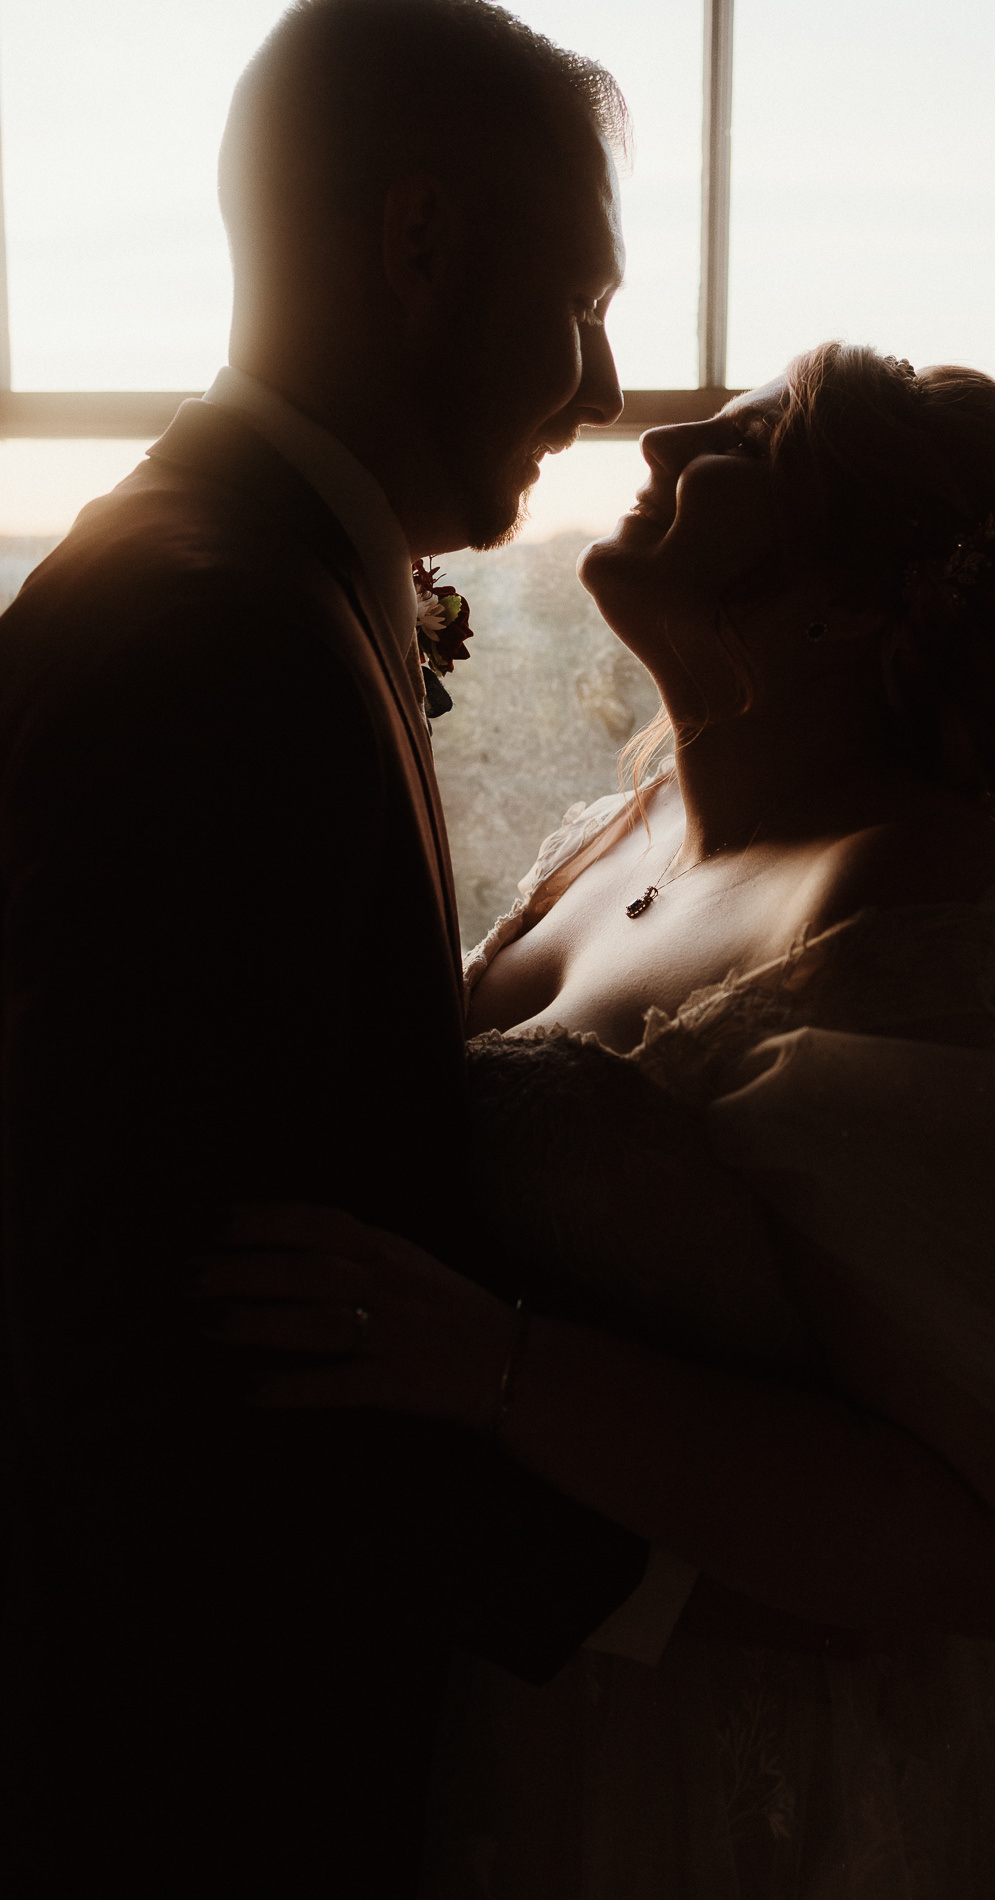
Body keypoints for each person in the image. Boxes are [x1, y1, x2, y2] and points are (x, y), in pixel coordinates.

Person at [203, 344, 995, 1896]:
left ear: (847, 602)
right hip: (557, 1690)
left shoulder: (927, 932)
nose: (663, 436)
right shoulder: (619, 829)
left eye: (747, 446)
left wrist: (491, 1365)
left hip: (809, 1784)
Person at [0, 3, 658, 1894]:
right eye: (581, 301)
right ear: (419, 241)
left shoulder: (222, 572)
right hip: (191, 1774)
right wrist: (695, 1569)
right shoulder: (227, 651)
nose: (604, 386)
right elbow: (175, 1345)